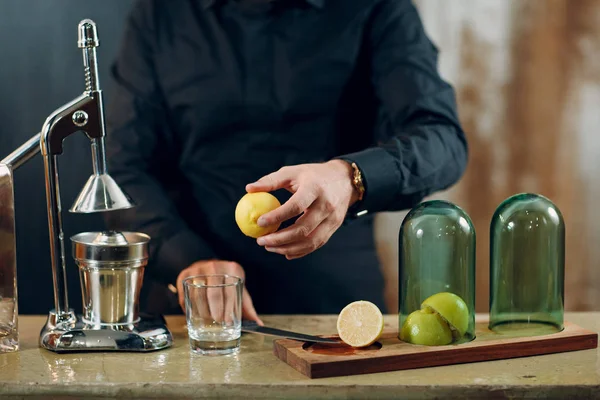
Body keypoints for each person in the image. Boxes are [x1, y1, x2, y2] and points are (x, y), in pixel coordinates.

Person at [104, 0, 468, 323]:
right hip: (191, 306)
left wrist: (350, 177)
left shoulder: (376, 7)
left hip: (332, 310)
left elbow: (442, 139)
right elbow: (123, 166)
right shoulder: (160, 14)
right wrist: (187, 258)